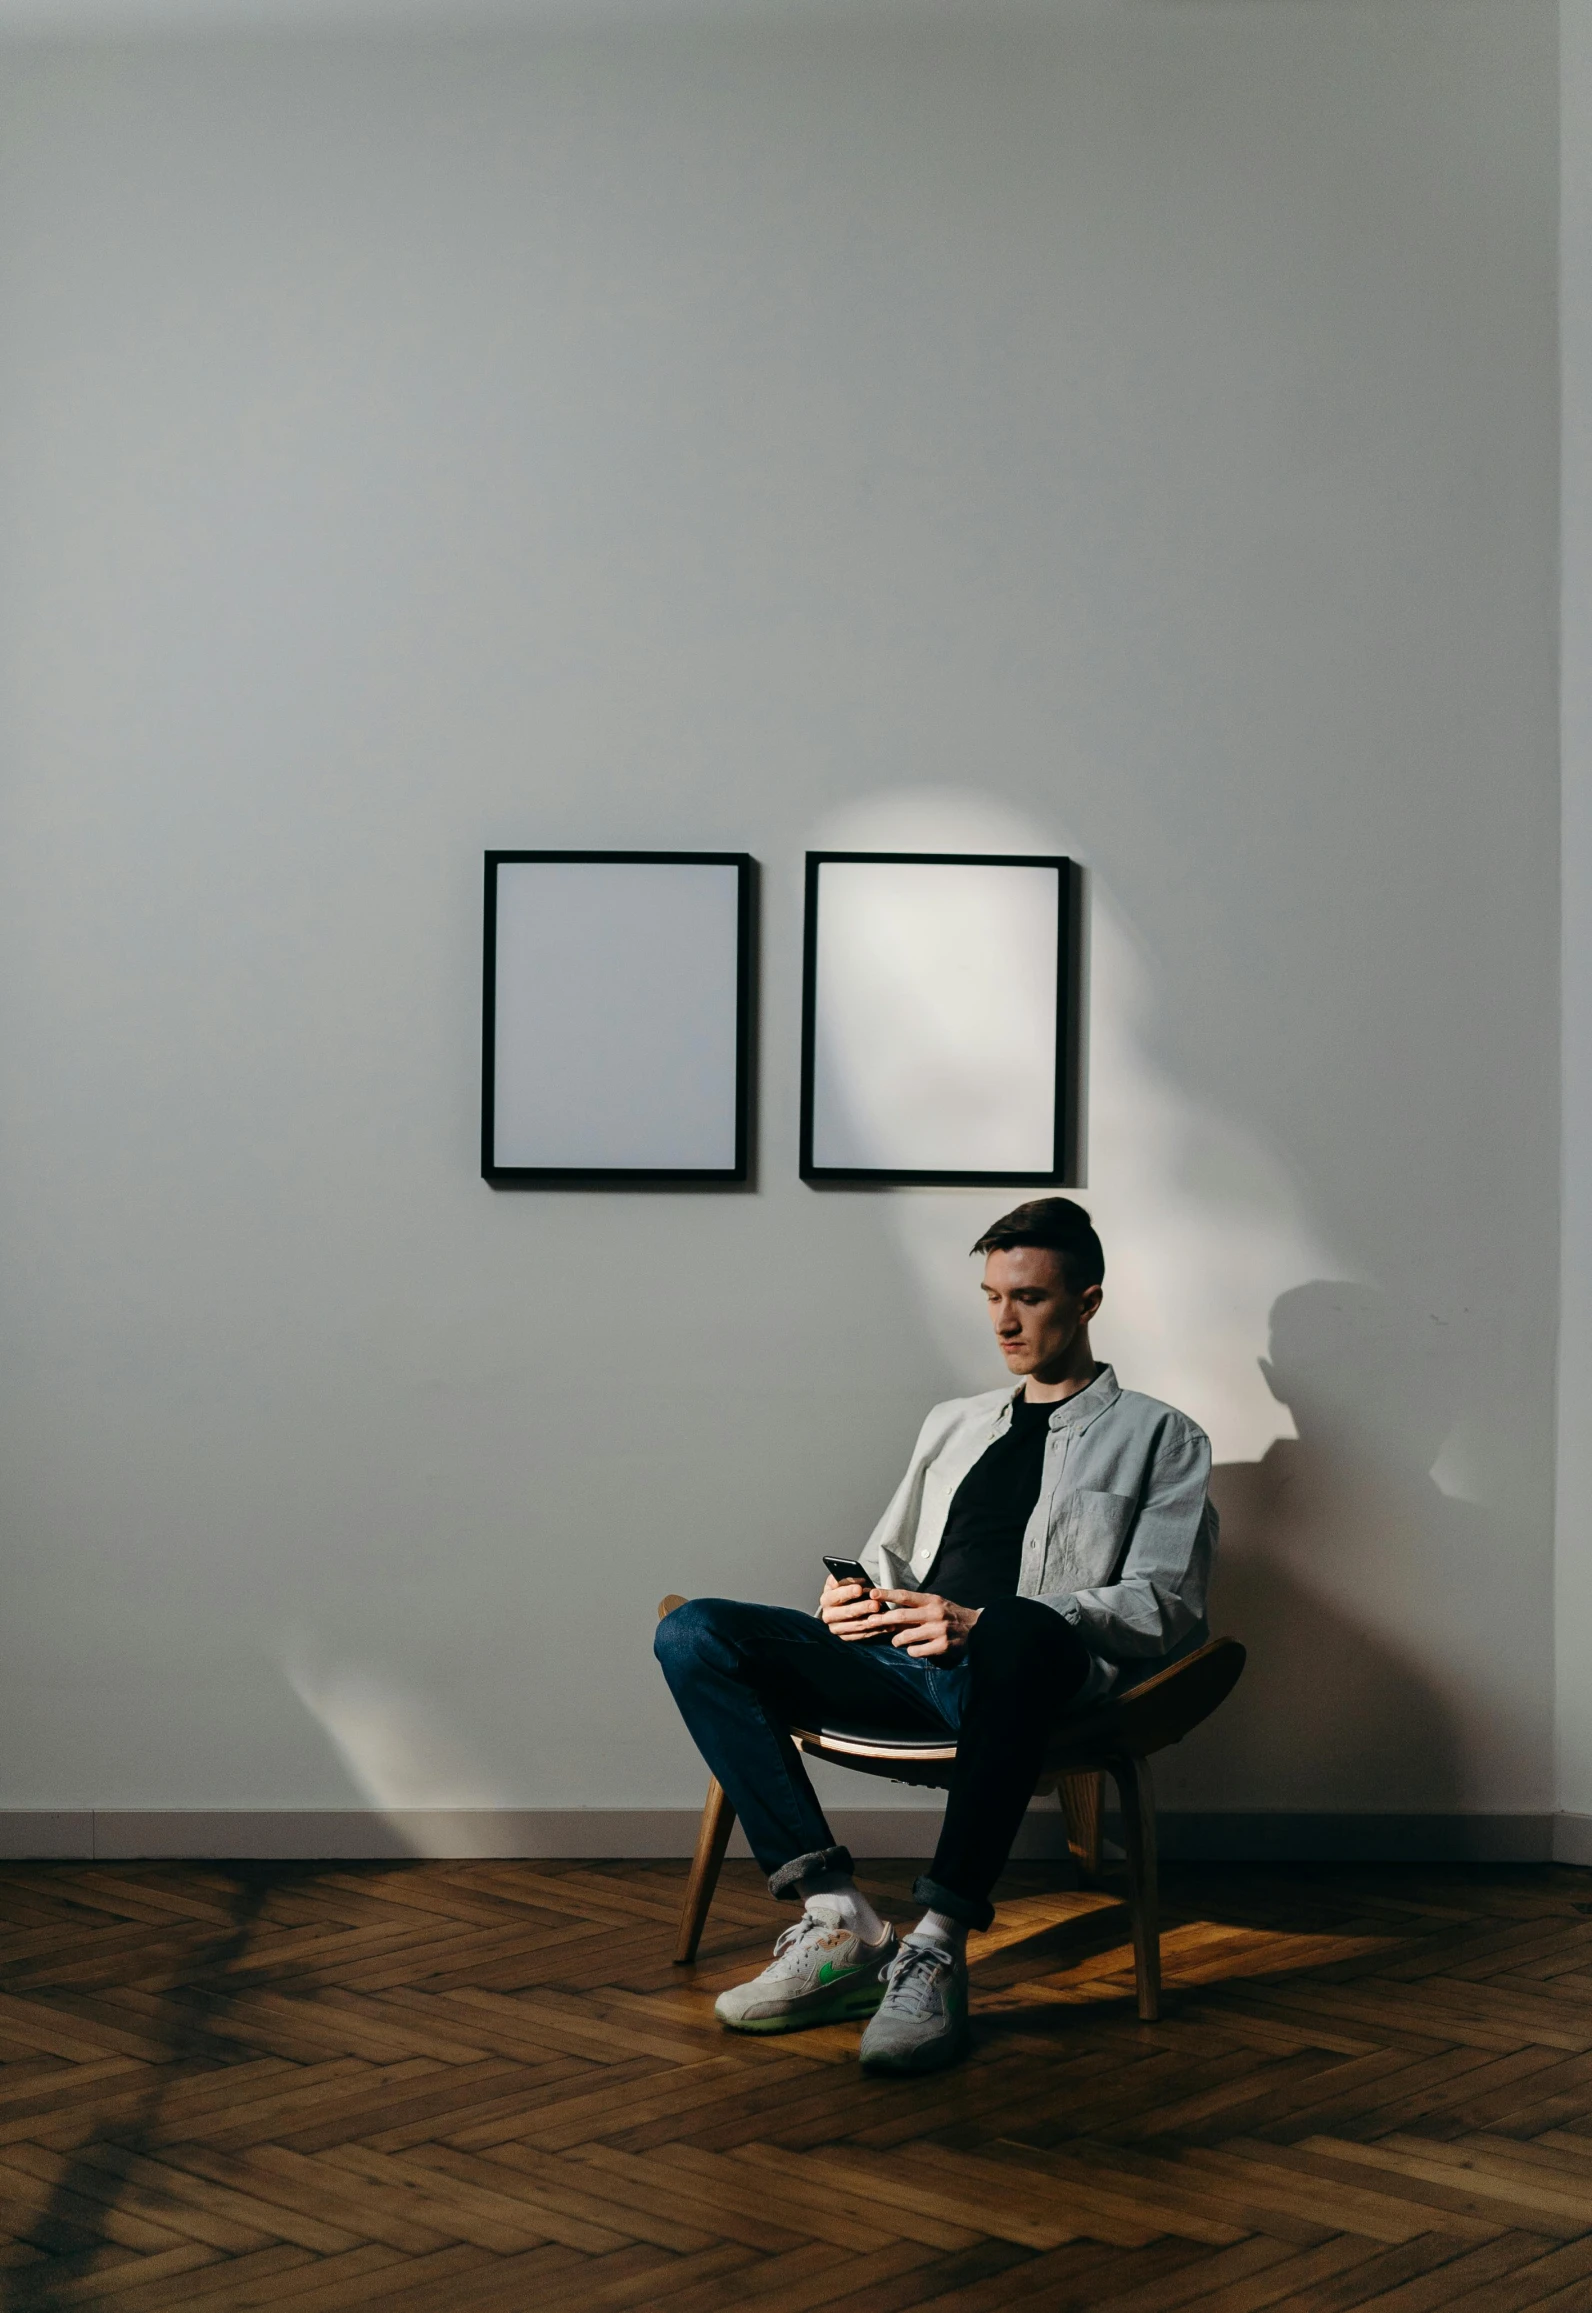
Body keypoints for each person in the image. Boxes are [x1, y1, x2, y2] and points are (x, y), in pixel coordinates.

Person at [653, 1197, 1216, 2076]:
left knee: (1021, 1627)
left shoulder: (1161, 1435)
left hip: (1030, 1676)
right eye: (992, 1293)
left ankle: (940, 1945)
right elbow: (887, 1557)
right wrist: (853, 1602)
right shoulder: (953, 1422)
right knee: (694, 1633)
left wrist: (988, 1623)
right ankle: (844, 1921)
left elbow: (1166, 1603)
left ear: (1088, 1301)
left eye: (1027, 1296)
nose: (1003, 1318)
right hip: (903, 1663)